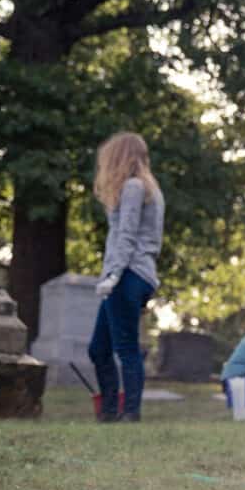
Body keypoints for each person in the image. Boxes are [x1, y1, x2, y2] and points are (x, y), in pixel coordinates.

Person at [88, 132, 165, 423]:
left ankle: (129, 413)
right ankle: (109, 411)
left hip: (128, 275)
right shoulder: (149, 189)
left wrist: (113, 274)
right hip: (135, 276)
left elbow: (126, 236)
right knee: (99, 349)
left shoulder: (134, 187)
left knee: (126, 348)